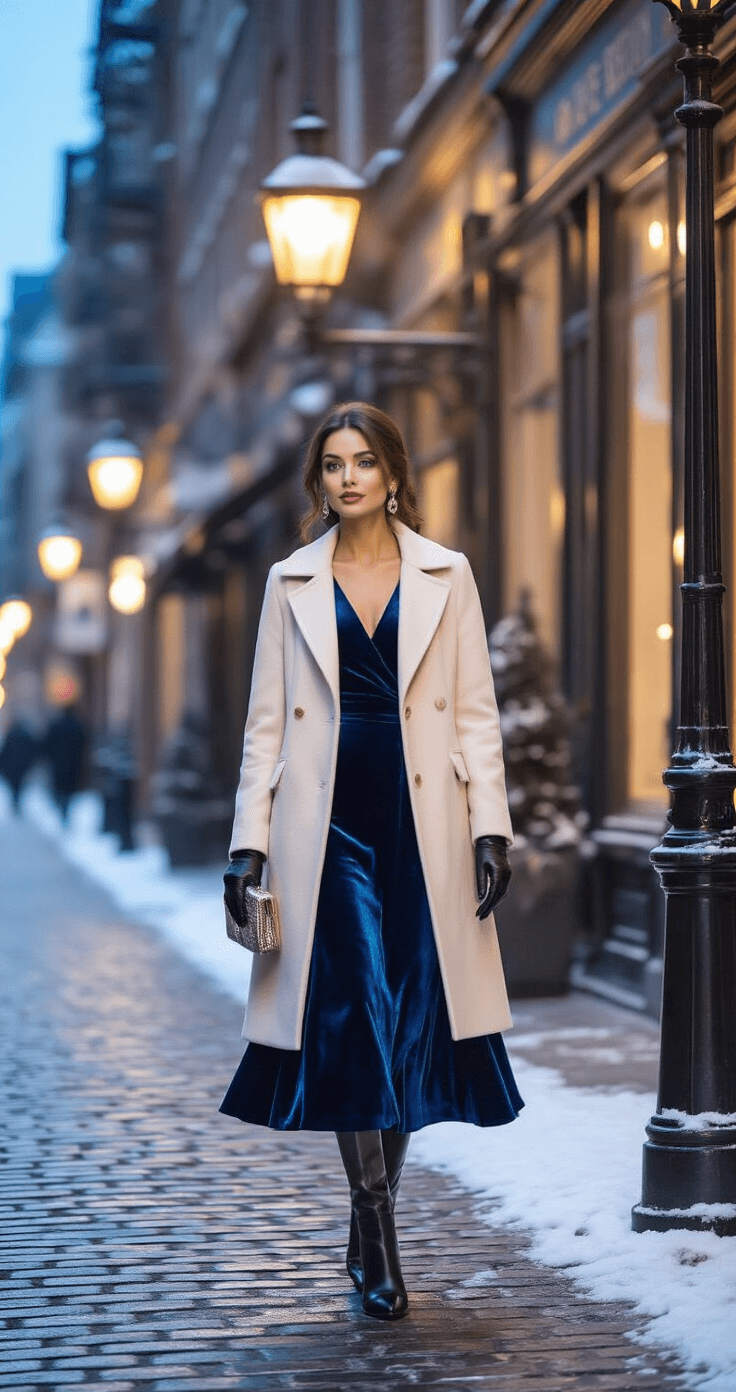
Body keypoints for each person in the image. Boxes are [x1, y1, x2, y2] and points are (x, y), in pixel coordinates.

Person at [221, 402, 523, 1321]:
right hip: (328, 827)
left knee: (406, 1023)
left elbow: (475, 708)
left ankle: (367, 1218)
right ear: (319, 481)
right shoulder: (289, 581)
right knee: (354, 1017)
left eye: (363, 462)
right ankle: (379, 1218)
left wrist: (491, 826)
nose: (347, 478)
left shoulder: (447, 574)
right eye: (332, 465)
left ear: (394, 474)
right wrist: (248, 841)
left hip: (422, 818)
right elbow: (265, 720)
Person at [44, 704, 87, 822]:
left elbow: (47, 745)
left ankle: (63, 811)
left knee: (59, 790)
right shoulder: (77, 726)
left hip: (58, 764)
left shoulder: (56, 725)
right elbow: (83, 744)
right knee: (69, 791)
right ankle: (65, 811)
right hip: (73, 764)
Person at [0, 718, 38, 811]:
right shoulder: (27, 736)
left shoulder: (11, 735)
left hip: (10, 766)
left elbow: (5, 751)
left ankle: (14, 802)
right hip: (22, 766)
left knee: (13, 785)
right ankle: (16, 802)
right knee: (18, 785)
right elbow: (32, 752)